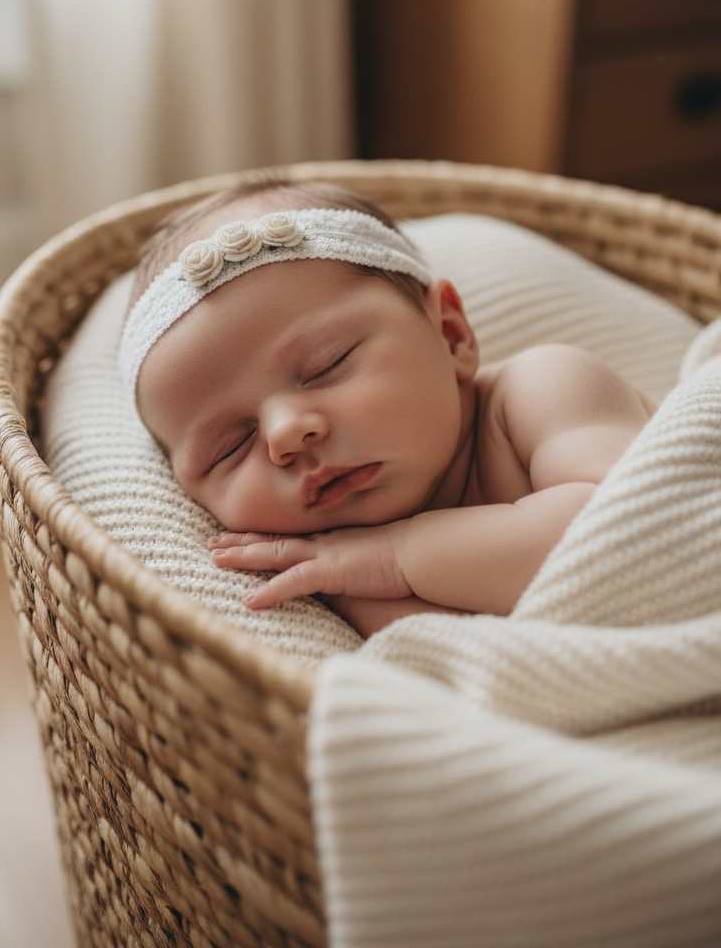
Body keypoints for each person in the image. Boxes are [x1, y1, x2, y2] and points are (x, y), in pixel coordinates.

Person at [119, 179, 656, 637]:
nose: (286, 435)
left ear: (450, 334)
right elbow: (455, 654)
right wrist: (352, 583)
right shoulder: (329, 571)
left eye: (327, 364)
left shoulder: (545, 388)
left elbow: (628, 527)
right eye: (229, 448)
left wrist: (396, 558)